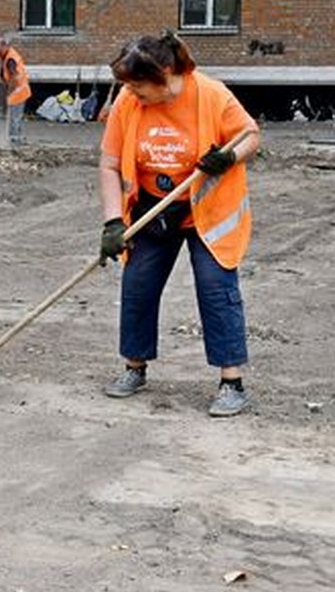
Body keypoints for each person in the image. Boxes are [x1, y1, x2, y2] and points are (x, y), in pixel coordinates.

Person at [97, 31, 261, 417]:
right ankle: (134, 368)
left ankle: (231, 383)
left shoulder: (211, 94)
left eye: (139, 88)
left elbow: (250, 135)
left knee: (215, 288)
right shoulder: (128, 101)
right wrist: (111, 222)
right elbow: (108, 163)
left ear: (166, 73)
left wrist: (227, 157)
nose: (133, 95)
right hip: (154, 210)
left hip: (208, 211)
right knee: (138, 285)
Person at [0, 37, 31, 147]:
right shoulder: (7, 55)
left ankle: (14, 141)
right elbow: (6, 73)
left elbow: (14, 77)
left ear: (5, 47)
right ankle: (16, 138)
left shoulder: (10, 59)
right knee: (16, 117)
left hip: (18, 92)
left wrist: (9, 93)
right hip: (19, 90)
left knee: (14, 117)